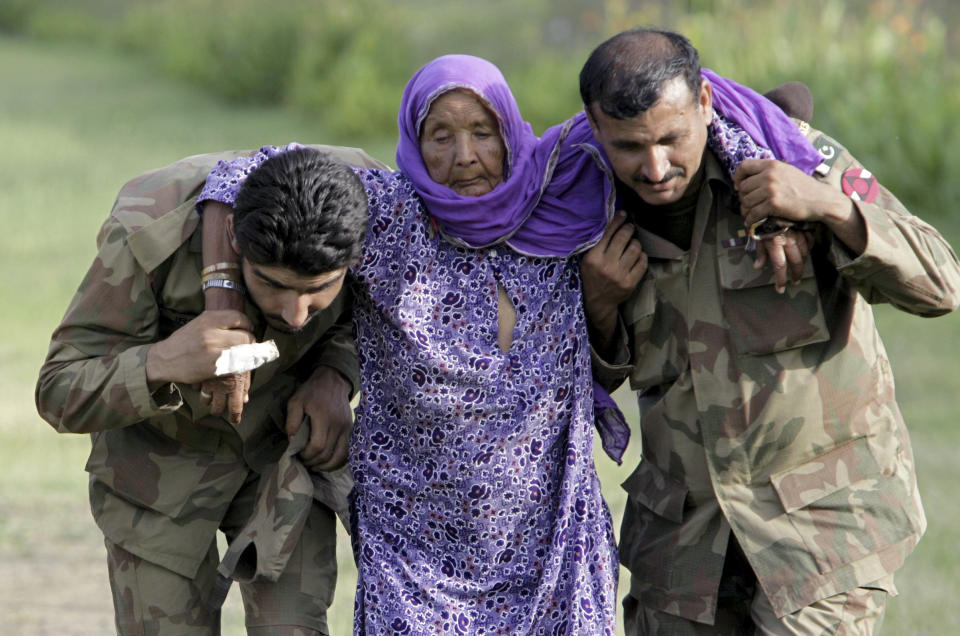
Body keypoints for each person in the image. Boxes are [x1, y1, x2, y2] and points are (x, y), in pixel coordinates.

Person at [196, 54, 820, 634]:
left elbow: (698, 114)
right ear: (414, 139)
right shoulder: (383, 214)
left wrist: (773, 212)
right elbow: (234, 174)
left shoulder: (568, 188)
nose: (465, 156)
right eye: (440, 136)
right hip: (414, 549)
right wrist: (223, 302)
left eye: (483, 132)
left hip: (555, 537)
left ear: (510, 131)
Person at [579, 27, 960, 634]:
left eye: (672, 138)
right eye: (629, 146)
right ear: (594, 128)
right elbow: (567, 387)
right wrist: (598, 305)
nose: (654, 166)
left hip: (822, 530)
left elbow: (941, 283)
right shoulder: (575, 211)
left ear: (704, 103)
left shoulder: (793, 158)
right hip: (685, 547)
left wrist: (828, 207)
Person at [35, 147, 382, 635]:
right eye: (274, 285)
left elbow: (390, 310)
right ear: (235, 241)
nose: (297, 313)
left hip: (282, 464)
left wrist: (337, 372)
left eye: (318, 289)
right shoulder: (147, 233)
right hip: (159, 477)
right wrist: (162, 361)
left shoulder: (368, 203)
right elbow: (58, 388)